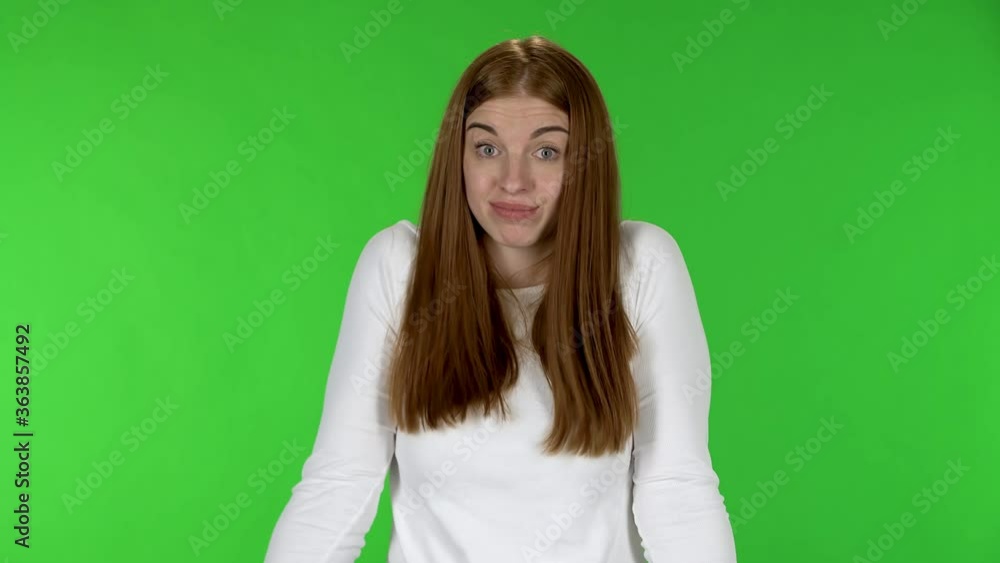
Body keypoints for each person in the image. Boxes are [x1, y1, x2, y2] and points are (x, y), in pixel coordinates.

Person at [263, 35, 737, 563]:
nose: (514, 182)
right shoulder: (398, 268)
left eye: (546, 152)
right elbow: (338, 485)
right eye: (487, 149)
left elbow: (678, 491)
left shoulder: (640, 266)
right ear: (458, 158)